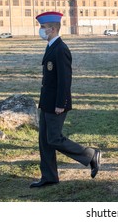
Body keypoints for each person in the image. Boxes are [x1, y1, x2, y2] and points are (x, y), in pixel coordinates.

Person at [30, 11, 101, 188]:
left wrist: (61, 103)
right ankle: (49, 176)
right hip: (47, 102)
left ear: (52, 29)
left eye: (43, 27)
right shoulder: (51, 47)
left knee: (54, 138)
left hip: (56, 103)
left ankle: (90, 155)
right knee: (45, 141)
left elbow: (64, 79)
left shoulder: (61, 49)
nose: (40, 30)